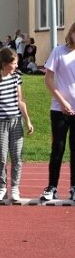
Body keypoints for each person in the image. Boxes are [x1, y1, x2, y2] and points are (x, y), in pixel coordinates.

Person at [0, 47, 33, 201]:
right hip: (0, 122)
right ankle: (2, 187)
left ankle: (15, 188)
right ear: (5, 63)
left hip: (16, 121)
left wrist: (28, 121)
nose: (16, 66)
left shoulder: (16, 78)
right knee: (1, 156)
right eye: (14, 63)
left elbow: (20, 100)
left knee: (17, 156)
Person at [40, 22, 75, 201]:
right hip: (59, 109)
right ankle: (52, 187)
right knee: (58, 148)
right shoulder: (59, 51)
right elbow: (48, 79)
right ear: (71, 33)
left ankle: (74, 188)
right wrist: (63, 102)